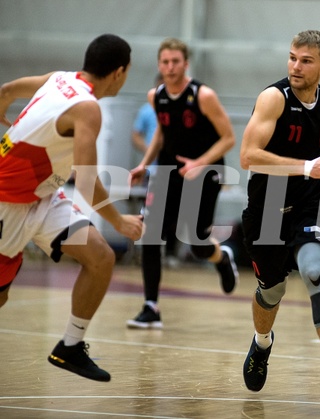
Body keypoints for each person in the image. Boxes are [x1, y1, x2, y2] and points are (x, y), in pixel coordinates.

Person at [0, 34, 143, 381]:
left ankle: (70, 347)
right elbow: (86, 181)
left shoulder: (58, 78)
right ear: (119, 72)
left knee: (101, 257)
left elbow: (5, 90)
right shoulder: (87, 107)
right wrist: (118, 220)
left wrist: (8, 125)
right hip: (9, 201)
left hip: (43, 196)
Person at [239, 29, 320, 400]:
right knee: (272, 289)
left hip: (311, 201)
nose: (296, 66)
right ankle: (262, 343)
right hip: (268, 203)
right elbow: (248, 155)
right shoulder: (273, 99)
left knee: (313, 270)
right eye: (292, 57)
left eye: (305, 60)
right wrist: (306, 166)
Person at [128, 37, 238, 329]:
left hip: (206, 169)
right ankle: (151, 307)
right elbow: (162, 134)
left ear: (185, 64)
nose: (170, 67)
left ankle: (221, 258)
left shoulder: (203, 95)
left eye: (175, 61)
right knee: (150, 235)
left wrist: (199, 163)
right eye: (165, 62)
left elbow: (229, 138)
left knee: (196, 242)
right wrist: (144, 164)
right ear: (159, 64)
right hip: (168, 168)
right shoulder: (157, 96)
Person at [131, 74, 180, 268]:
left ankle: (170, 253)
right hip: (154, 170)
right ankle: (149, 251)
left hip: (175, 168)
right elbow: (136, 135)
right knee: (151, 213)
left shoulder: (179, 109)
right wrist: (148, 153)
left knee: (176, 212)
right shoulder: (147, 110)